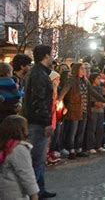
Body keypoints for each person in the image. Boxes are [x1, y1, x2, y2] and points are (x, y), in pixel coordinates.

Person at [23, 45, 56, 198]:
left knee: (40, 159)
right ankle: (32, 193)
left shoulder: (38, 73)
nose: (53, 57)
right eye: (51, 54)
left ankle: (39, 189)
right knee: (36, 159)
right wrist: (46, 122)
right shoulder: (39, 75)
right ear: (46, 56)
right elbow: (39, 100)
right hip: (37, 123)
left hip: (36, 121)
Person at [58, 63, 105, 159]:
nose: (84, 70)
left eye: (84, 69)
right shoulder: (71, 80)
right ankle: (71, 149)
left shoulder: (85, 81)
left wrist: (103, 99)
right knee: (73, 130)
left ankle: (78, 148)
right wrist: (59, 100)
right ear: (77, 70)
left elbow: (91, 91)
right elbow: (65, 90)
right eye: (82, 69)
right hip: (74, 108)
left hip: (84, 108)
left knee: (81, 130)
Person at [0, 115, 40, 200]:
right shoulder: (19, 149)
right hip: (16, 194)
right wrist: (34, 193)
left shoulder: (3, 145)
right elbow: (26, 173)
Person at [86, 73, 105, 154]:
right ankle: (90, 146)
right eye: (98, 78)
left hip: (101, 110)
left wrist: (104, 104)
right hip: (93, 110)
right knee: (92, 128)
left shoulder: (100, 88)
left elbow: (103, 98)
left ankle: (98, 145)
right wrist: (94, 103)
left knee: (100, 128)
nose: (99, 80)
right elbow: (89, 99)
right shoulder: (90, 88)